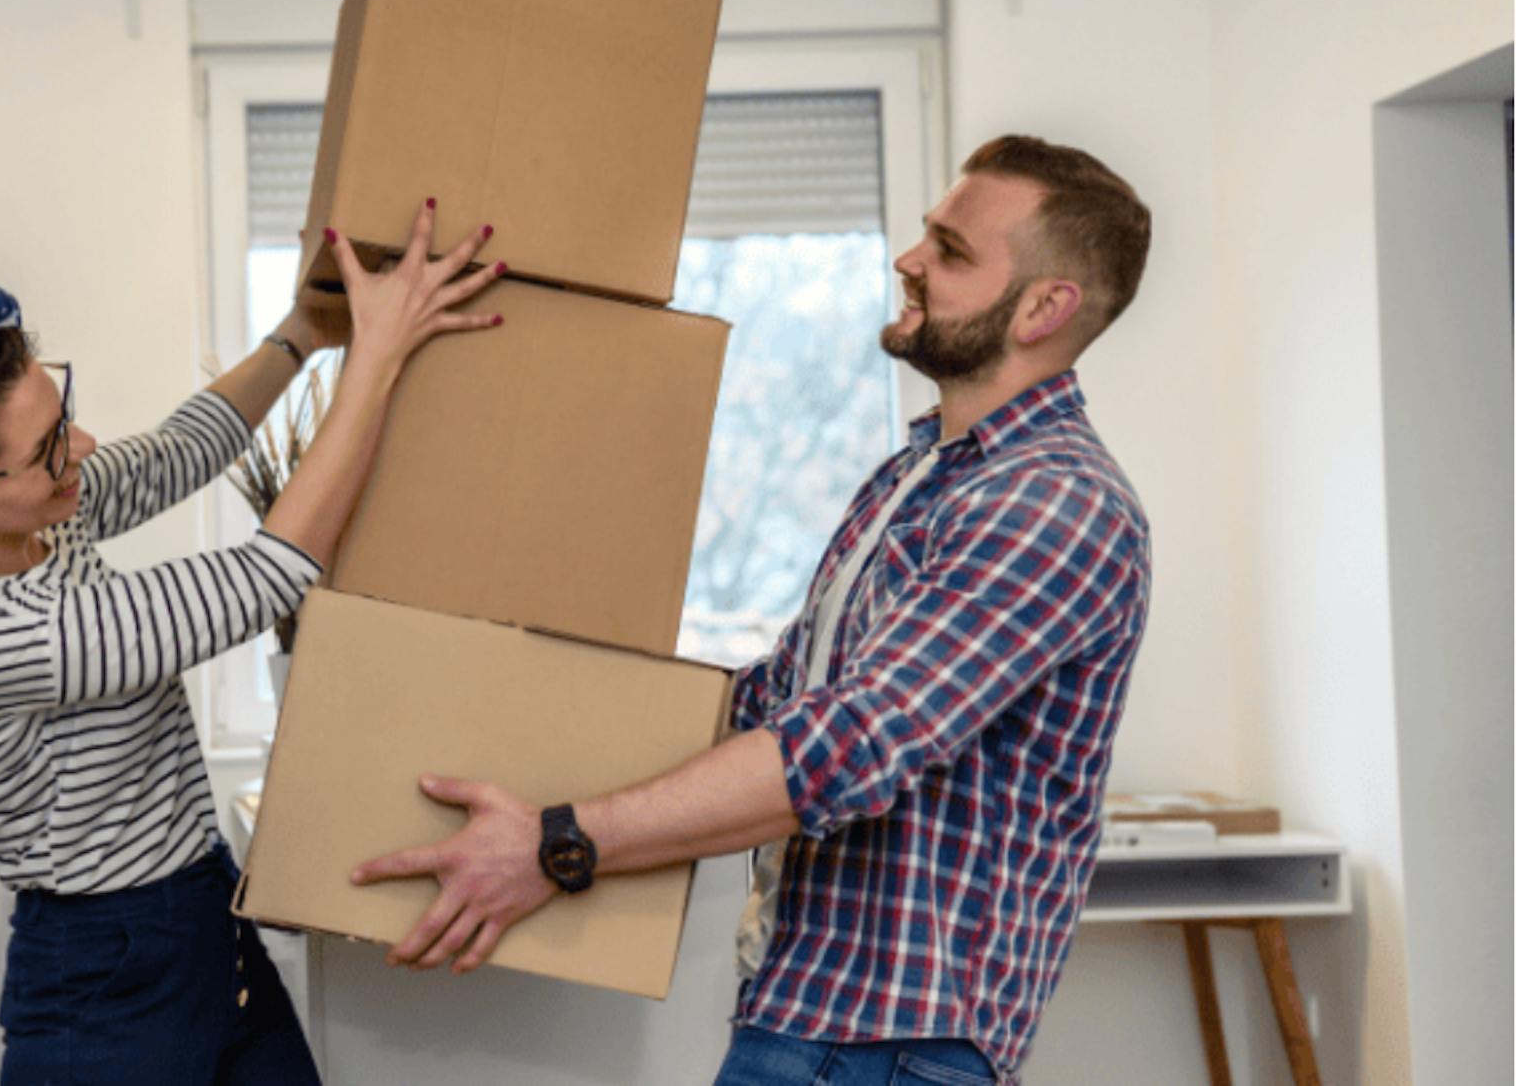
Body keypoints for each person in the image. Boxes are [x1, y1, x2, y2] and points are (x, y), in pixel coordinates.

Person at [350, 136, 1154, 1086]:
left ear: (1043, 308)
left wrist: (558, 841)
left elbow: (851, 741)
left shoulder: (1055, 500)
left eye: (950, 249)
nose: (908, 259)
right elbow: (774, 696)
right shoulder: (920, 476)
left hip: (888, 1042)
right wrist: (530, 699)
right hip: (814, 1013)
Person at [0, 202, 501, 1086]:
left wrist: (301, 336)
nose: (81, 449)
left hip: (205, 917)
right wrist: (379, 358)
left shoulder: (38, 520)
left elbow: (178, 452)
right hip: (106, 981)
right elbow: (262, 579)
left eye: (65, 416)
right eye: (48, 449)